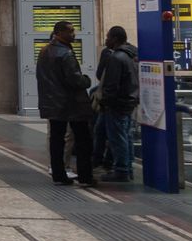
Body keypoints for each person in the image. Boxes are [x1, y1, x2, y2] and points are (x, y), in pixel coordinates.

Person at [36, 21, 96, 187]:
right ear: (59, 32)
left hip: (53, 102)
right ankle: (85, 176)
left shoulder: (44, 51)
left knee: (56, 139)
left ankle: (58, 175)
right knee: (83, 139)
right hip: (72, 104)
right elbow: (75, 80)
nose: (73, 34)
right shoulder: (65, 54)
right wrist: (87, 80)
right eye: (70, 31)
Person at [96, 26, 139, 182]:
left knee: (117, 137)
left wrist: (105, 102)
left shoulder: (116, 57)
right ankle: (128, 167)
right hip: (129, 101)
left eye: (107, 37)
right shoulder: (132, 54)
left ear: (114, 38)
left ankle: (121, 170)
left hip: (117, 103)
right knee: (126, 135)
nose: (105, 39)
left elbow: (111, 84)